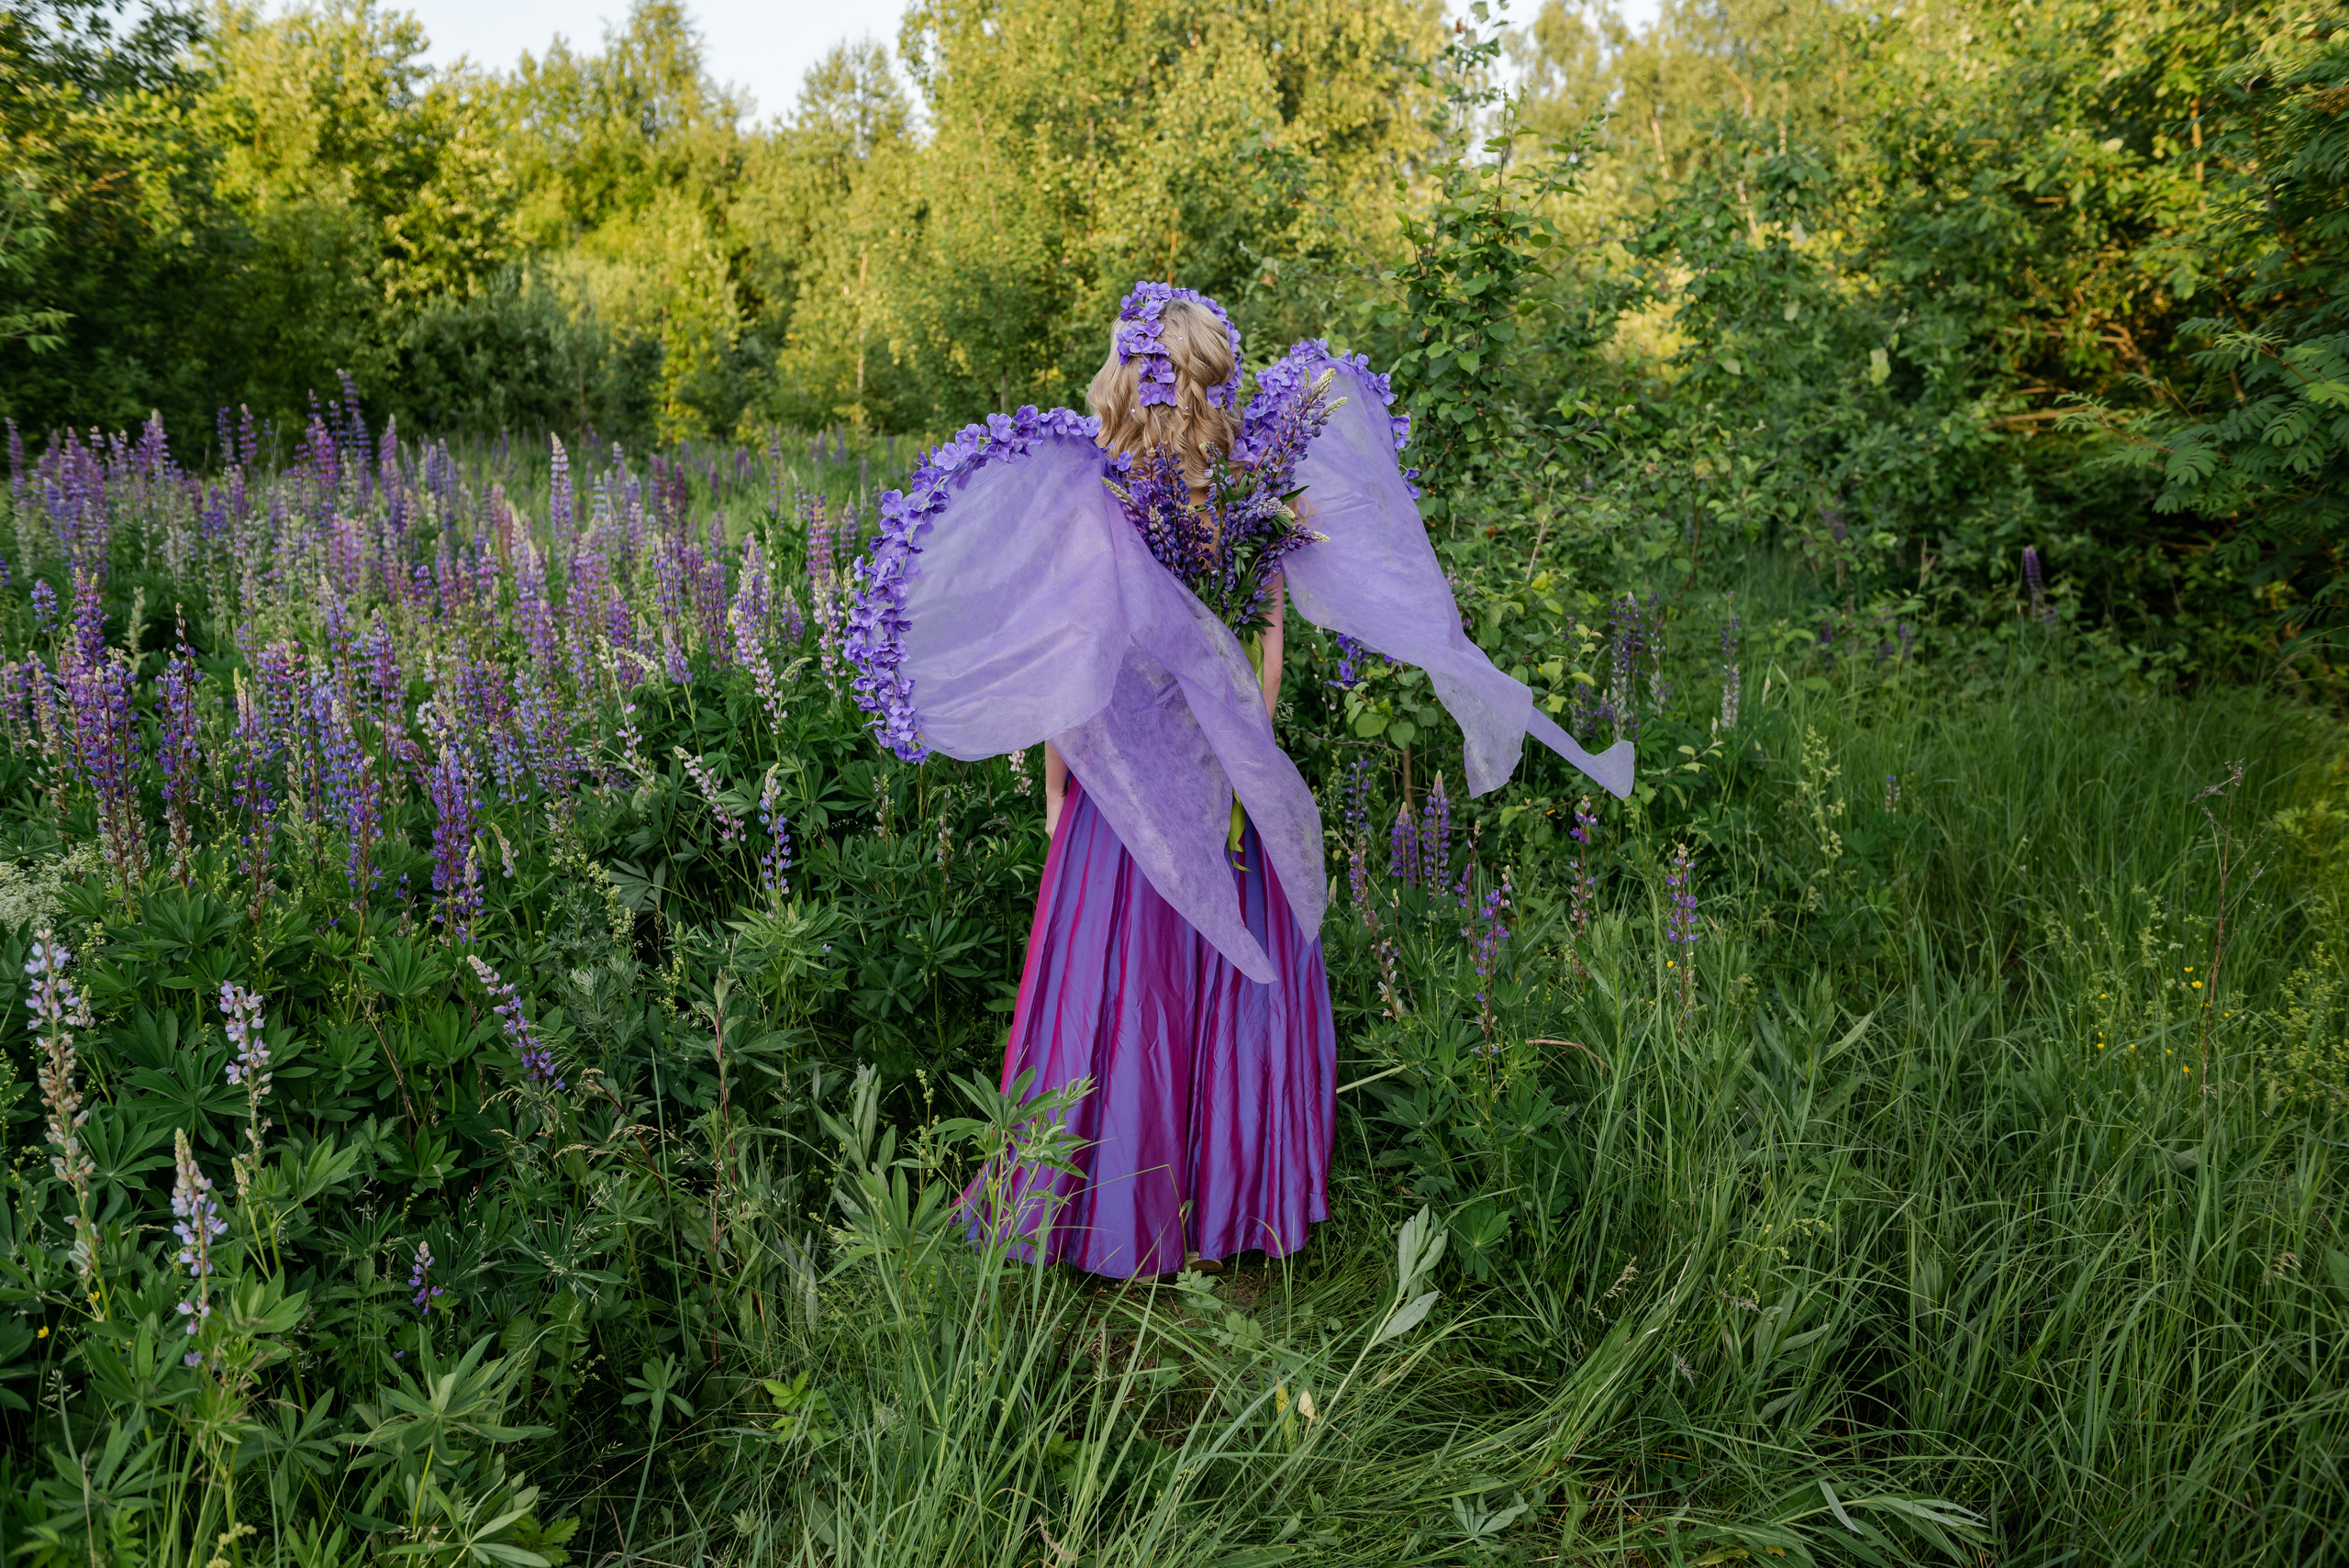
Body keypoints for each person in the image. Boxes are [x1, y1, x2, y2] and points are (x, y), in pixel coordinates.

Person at [845, 284, 1632, 1280]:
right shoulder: (1214, 501)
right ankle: (1197, 1203)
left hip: (1138, 795)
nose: (1186, 410)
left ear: (1132, 387)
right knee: (1185, 986)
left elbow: (1088, 674)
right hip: (1186, 785)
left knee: (1136, 989)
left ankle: (1151, 1206)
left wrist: (1074, 793)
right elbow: (1202, 678)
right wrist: (1203, 770)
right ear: (1191, 389)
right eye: (1191, 389)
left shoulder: (1149, 503)